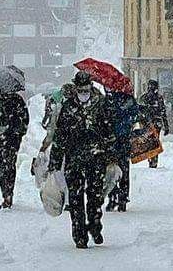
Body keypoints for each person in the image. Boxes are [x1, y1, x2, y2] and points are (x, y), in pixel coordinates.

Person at [49, 70, 114, 249]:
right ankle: (79, 234)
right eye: (80, 90)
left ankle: (94, 226)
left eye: (86, 89)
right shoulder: (68, 107)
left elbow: (109, 132)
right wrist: (55, 161)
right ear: (75, 89)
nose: (83, 93)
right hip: (74, 159)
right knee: (75, 198)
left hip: (96, 157)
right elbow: (60, 135)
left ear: (90, 88)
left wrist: (111, 154)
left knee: (95, 197)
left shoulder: (101, 105)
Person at [103, 80, 140, 213]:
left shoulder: (116, 100)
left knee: (114, 169)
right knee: (119, 169)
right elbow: (135, 115)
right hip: (118, 139)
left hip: (117, 139)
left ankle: (116, 197)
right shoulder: (110, 100)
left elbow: (135, 115)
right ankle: (119, 197)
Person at [137, 80, 168, 168]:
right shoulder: (158, 98)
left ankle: (151, 158)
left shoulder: (144, 97)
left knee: (150, 141)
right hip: (154, 123)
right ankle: (153, 159)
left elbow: (139, 111)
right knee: (154, 141)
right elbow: (163, 112)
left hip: (147, 123)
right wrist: (166, 125)